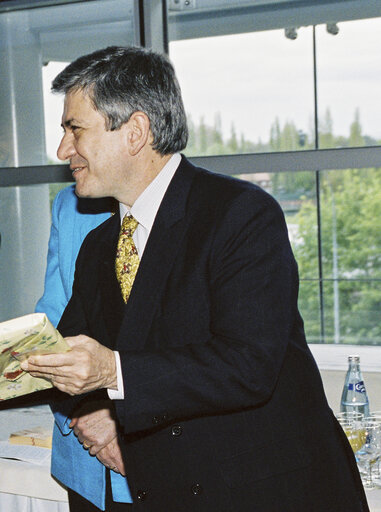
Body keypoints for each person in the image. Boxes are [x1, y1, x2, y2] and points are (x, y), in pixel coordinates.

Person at [22, 46, 368, 511]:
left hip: (266, 492)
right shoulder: (101, 244)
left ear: (136, 131)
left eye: (74, 129)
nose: (63, 149)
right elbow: (63, 355)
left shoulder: (240, 214)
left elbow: (248, 365)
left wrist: (112, 372)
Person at [35, 186, 131, 511]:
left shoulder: (202, 208)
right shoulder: (68, 202)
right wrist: (85, 408)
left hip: (159, 455)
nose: (64, 150)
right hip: (85, 454)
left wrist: (122, 420)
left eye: (75, 131)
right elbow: (52, 322)